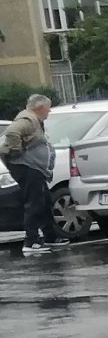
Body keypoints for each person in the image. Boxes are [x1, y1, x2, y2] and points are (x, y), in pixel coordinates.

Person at [3, 94, 58, 256]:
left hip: (34, 168)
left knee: (45, 201)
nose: (50, 111)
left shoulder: (34, 119)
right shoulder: (28, 119)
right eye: (48, 107)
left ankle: (50, 237)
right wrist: (16, 150)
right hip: (26, 167)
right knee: (34, 203)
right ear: (40, 108)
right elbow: (12, 132)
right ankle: (31, 241)